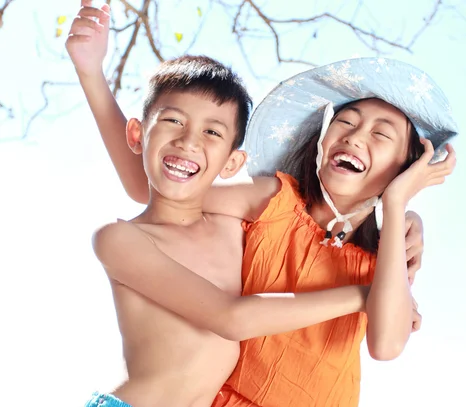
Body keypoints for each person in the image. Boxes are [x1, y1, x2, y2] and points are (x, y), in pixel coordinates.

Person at [67, 3, 436, 407]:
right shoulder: (269, 204)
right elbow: (161, 187)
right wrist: (91, 74)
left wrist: (400, 206)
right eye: (345, 122)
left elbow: (386, 345)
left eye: (382, 135)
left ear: (407, 168)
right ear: (321, 139)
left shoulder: (383, 258)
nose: (355, 137)